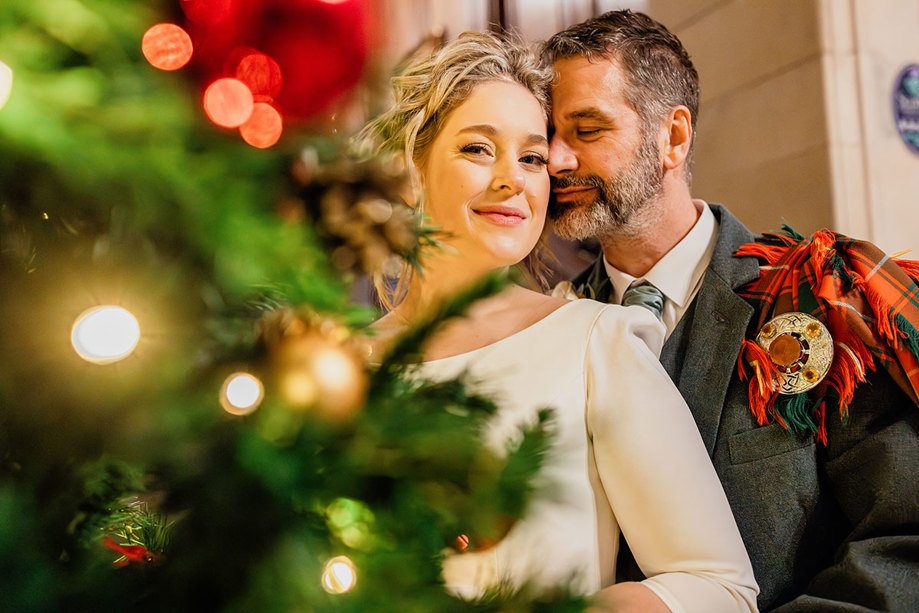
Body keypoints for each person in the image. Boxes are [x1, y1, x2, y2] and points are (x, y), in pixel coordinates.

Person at [360, 31, 758, 612]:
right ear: (408, 172)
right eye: (477, 149)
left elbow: (718, 586)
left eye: (532, 158)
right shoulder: (335, 364)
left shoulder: (597, 342)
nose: (512, 180)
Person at [544, 10, 919, 612]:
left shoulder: (821, 294)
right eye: (549, 137)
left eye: (587, 130)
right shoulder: (549, 326)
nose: (557, 161)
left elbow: (904, 542)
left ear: (673, 137)